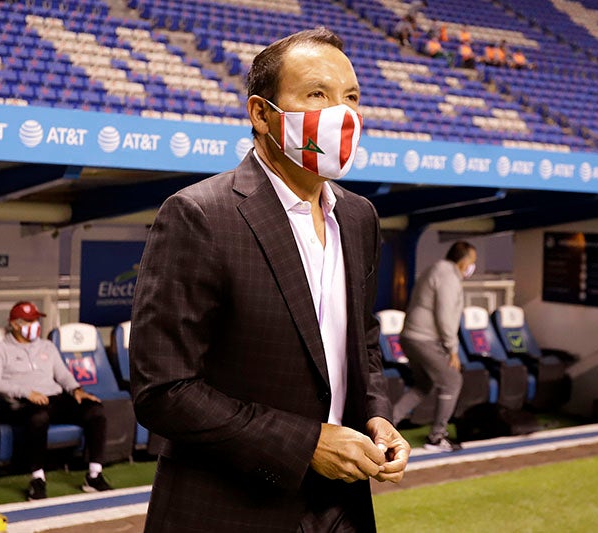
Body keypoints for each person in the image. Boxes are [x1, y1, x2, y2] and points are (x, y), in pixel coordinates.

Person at [130, 27, 410, 532]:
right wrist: (307, 444)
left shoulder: (360, 217)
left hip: (343, 506)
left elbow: (361, 343)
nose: (341, 114)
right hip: (229, 509)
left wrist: (376, 414)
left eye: (351, 97)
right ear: (261, 113)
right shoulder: (199, 215)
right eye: (317, 95)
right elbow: (163, 389)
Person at [0, 301, 112, 500]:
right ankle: (38, 479)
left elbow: (62, 374)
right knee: (39, 417)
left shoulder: (47, 346)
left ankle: (94, 475)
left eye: (36, 320)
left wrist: (77, 390)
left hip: (54, 398)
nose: (35, 324)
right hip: (23, 403)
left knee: (95, 409)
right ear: (15, 324)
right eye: (29, 321)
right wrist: (27, 392)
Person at [392, 241, 478, 452]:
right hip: (423, 339)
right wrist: (452, 350)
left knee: (423, 385)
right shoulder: (448, 276)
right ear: (463, 261)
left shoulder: (438, 269)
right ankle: (437, 438)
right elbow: (445, 316)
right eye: (472, 262)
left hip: (411, 336)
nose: (472, 267)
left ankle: (385, 425)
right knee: (452, 380)